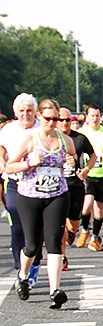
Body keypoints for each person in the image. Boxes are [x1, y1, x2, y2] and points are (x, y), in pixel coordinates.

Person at [5, 99, 76, 308]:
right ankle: (23, 275)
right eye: (48, 118)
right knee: (33, 245)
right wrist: (29, 163)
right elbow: (10, 167)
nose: (52, 122)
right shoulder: (30, 139)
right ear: (39, 117)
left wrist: (72, 163)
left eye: (56, 119)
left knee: (54, 241)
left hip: (57, 194)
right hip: (30, 196)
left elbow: (74, 160)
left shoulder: (65, 141)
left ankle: (54, 290)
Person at [0, 93, 43, 287]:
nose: (26, 115)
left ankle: (33, 266)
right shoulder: (8, 129)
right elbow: (1, 149)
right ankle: (21, 269)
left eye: (29, 111)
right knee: (16, 223)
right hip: (14, 182)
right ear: (15, 112)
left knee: (35, 228)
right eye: (22, 111)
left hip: (38, 184)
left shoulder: (41, 129)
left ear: (35, 112)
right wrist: (2, 162)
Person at [56, 107, 97, 271]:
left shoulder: (79, 139)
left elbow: (93, 155)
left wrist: (86, 169)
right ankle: (62, 258)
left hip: (75, 185)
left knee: (73, 224)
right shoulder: (51, 139)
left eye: (67, 120)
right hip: (57, 187)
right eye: (61, 119)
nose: (64, 123)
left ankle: (71, 230)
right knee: (58, 224)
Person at [76, 105, 103, 251]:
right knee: (86, 205)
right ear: (87, 117)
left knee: (99, 211)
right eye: (92, 116)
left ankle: (94, 238)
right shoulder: (81, 133)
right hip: (88, 175)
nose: (95, 119)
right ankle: (84, 230)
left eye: (97, 116)